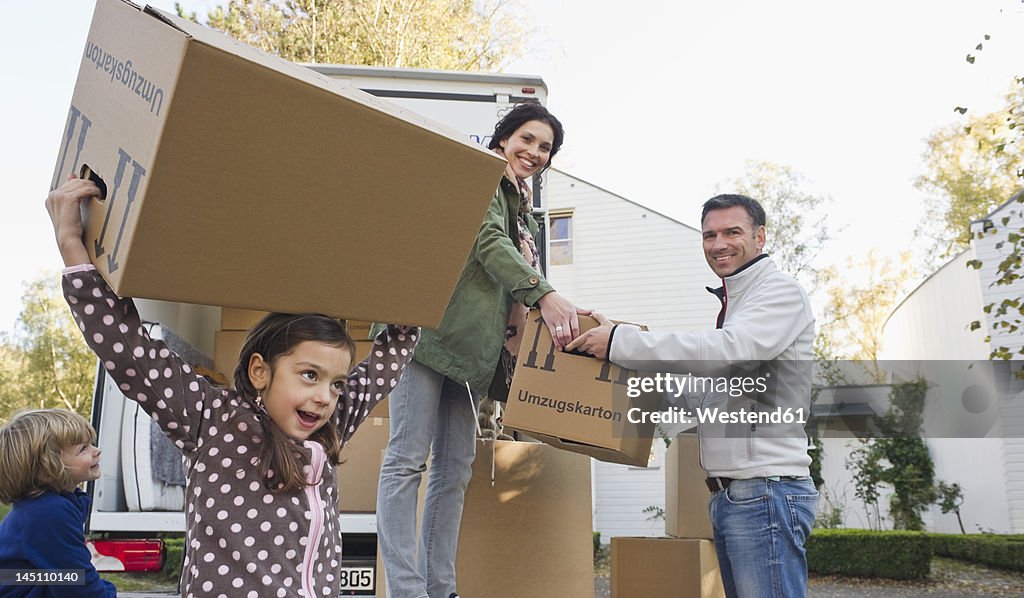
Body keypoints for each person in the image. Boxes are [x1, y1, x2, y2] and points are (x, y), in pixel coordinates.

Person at [45, 174, 419, 598]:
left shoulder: (326, 428)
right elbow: (131, 352)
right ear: (260, 372)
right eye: (310, 375)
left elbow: (384, 366)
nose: (325, 396)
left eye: (337, 384)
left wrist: (412, 288)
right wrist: (72, 246)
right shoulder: (214, 421)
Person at [376, 103, 587, 598]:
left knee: (455, 470)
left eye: (545, 148)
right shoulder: (484, 180)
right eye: (527, 139)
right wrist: (545, 294)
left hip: (476, 353)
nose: (534, 152)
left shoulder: (526, 215)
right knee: (406, 460)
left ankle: (440, 587)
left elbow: (524, 278)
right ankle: (407, 589)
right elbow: (488, 243)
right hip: (429, 333)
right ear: (504, 137)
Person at [568, 194, 818, 598]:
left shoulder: (780, 293)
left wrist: (620, 342)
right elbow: (701, 395)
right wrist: (607, 386)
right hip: (734, 496)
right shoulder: (738, 306)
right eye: (709, 235)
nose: (719, 244)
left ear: (760, 236)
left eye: (731, 232)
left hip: (765, 491)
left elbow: (730, 349)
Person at [0, 408, 117, 597]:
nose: (97, 450)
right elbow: (77, 584)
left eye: (91, 444)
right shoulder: (46, 512)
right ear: (47, 469)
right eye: (83, 449)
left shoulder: (45, 507)